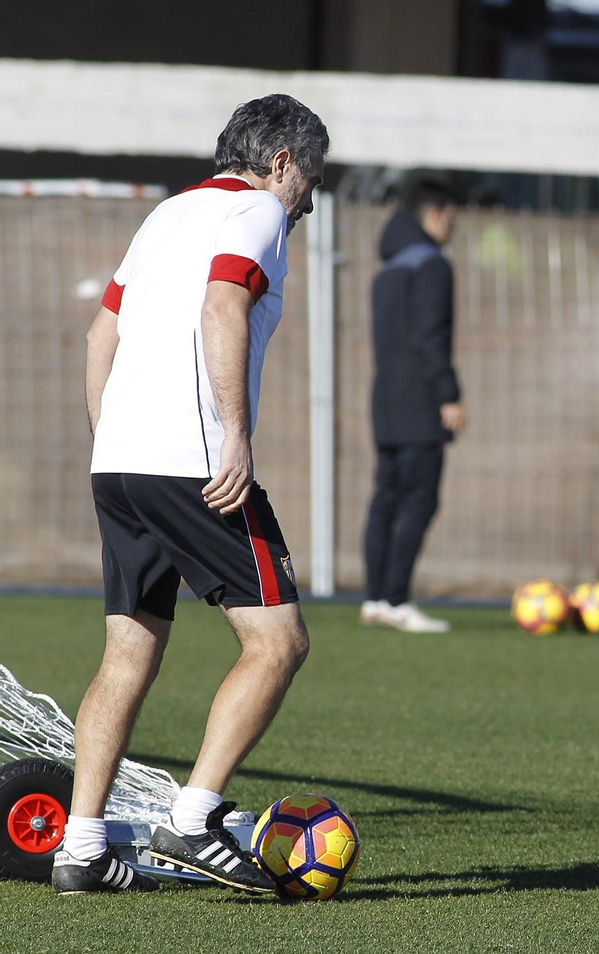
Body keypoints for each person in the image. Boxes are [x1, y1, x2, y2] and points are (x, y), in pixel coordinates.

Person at [65, 94, 327, 894]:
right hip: (195, 462)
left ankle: (81, 848)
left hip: (121, 461)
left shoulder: (165, 216)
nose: (313, 197)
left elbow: (99, 333)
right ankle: (193, 820)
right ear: (282, 163)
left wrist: (107, 436)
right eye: (312, 176)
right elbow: (224, 303)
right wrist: (234, 435)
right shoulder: (256, 213)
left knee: (128, 651)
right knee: (279, 641)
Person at [359, 177, 465, 633]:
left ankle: (375, 599)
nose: (452, 228)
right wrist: (448, 393)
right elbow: (430, 338)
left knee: (385, 500)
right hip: (420, 404)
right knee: (418, 500)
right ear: (435, 215)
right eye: (451, 218)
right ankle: (398, 599)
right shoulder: (432, 266)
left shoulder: (388, 270)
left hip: (385, 402)